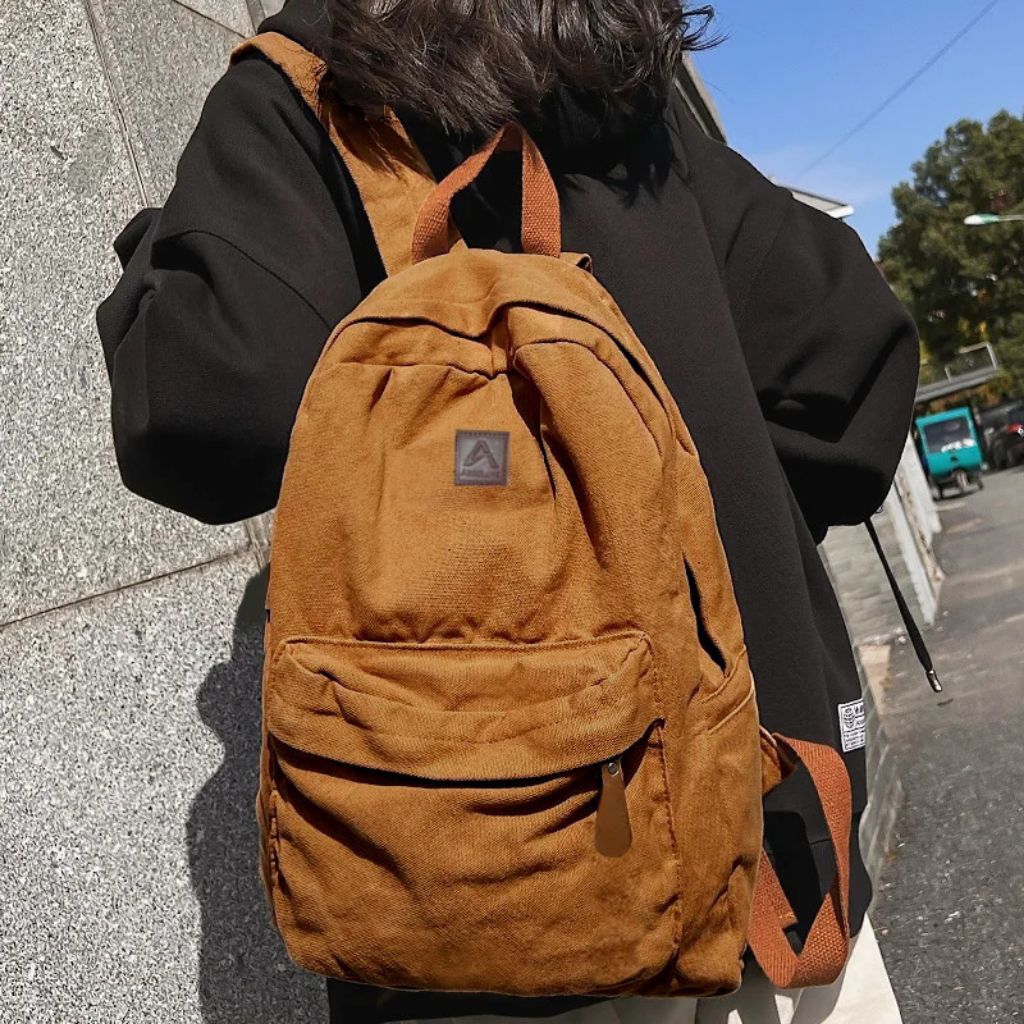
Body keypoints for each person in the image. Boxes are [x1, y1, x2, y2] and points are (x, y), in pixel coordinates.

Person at [97, 1, 918, 1021]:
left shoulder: (308, 90)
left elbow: (203, 405)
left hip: (489, 912)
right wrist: (687, 523)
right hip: (769, 859)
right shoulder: (623, 97)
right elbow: (851, 368)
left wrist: (158, 252)